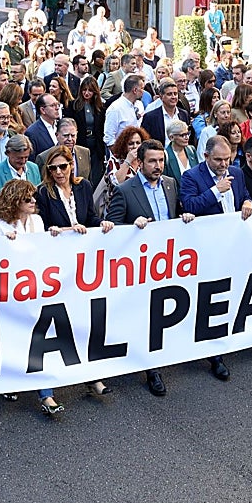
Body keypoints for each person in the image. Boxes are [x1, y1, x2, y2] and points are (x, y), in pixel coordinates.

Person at [103, 139, 198, 395]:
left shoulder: (170, 183)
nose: (158, 166)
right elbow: (110, 228)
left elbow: (174, 214)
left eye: (161, 161)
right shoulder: (125, 190)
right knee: (147, 316)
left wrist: (184, 217)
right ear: (140, 163)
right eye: (152, 161)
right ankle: (151, 369)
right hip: (141, 265)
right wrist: (132, 225)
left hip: (170, 261)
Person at [0, 179, 67, 415]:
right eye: (27, 199)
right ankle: (11, 382)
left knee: (38, 339)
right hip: (11, 292)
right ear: (14, 201)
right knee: (15, 340)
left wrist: (55, 234)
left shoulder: (38, 221)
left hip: (37, 288)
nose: (33, 202)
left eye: (33, 197)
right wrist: (6, 245)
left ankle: (47, 395)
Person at [0, 134, 41, 198]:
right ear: (8, 153)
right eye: (19, 158)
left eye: (26, 157)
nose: (23, 161)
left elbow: (38, 197)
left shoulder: (34, 168)